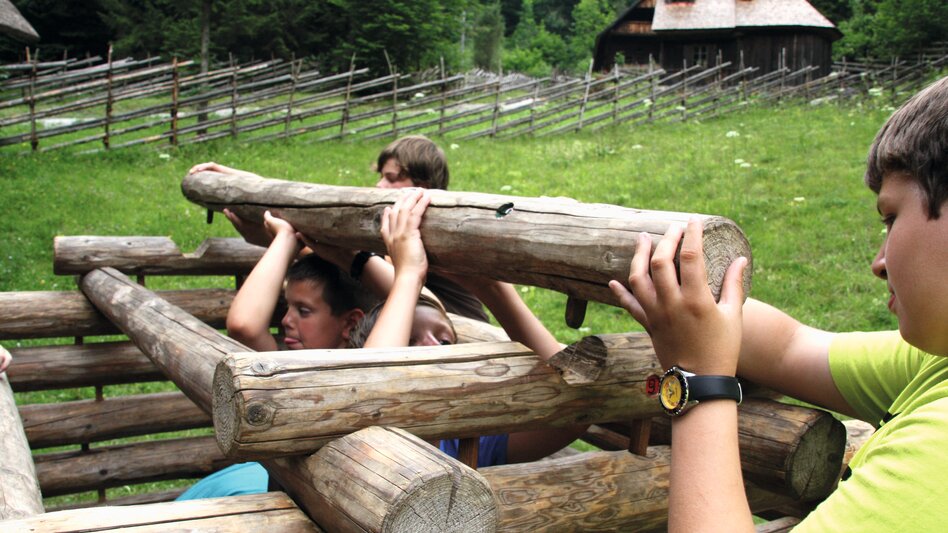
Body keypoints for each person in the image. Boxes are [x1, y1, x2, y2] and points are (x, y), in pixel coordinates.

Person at [609, 76, 948, 531]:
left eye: (891, 217)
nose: (879, 262)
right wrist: (686, 295)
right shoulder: (937, 361)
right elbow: (791, 348)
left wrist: (697, 379)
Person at [351, 188, 585, 466]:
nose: (435, 348)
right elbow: (369, 391)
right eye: (410, 341)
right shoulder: (355, 434)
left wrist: (491, 288)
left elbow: (579, 403)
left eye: (446, 342)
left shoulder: (470, 444)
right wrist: (409, 275)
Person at [177, 212, 376, 500]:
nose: (286, 320)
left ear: (350, 323)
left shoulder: (366, 366)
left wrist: (286, 239)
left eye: (303, 311)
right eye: (288, 307)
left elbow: (244, 326)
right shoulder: (288, 372)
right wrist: (286, 239)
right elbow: (245, 325)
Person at [188, 134, 489, 322]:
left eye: (392, 178)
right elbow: (312, 209)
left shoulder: (420, 233)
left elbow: (358, 265)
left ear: (422, 186)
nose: (380, 185)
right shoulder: (396, 226)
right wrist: (243, 184)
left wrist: (281, 241)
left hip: (456, 337)